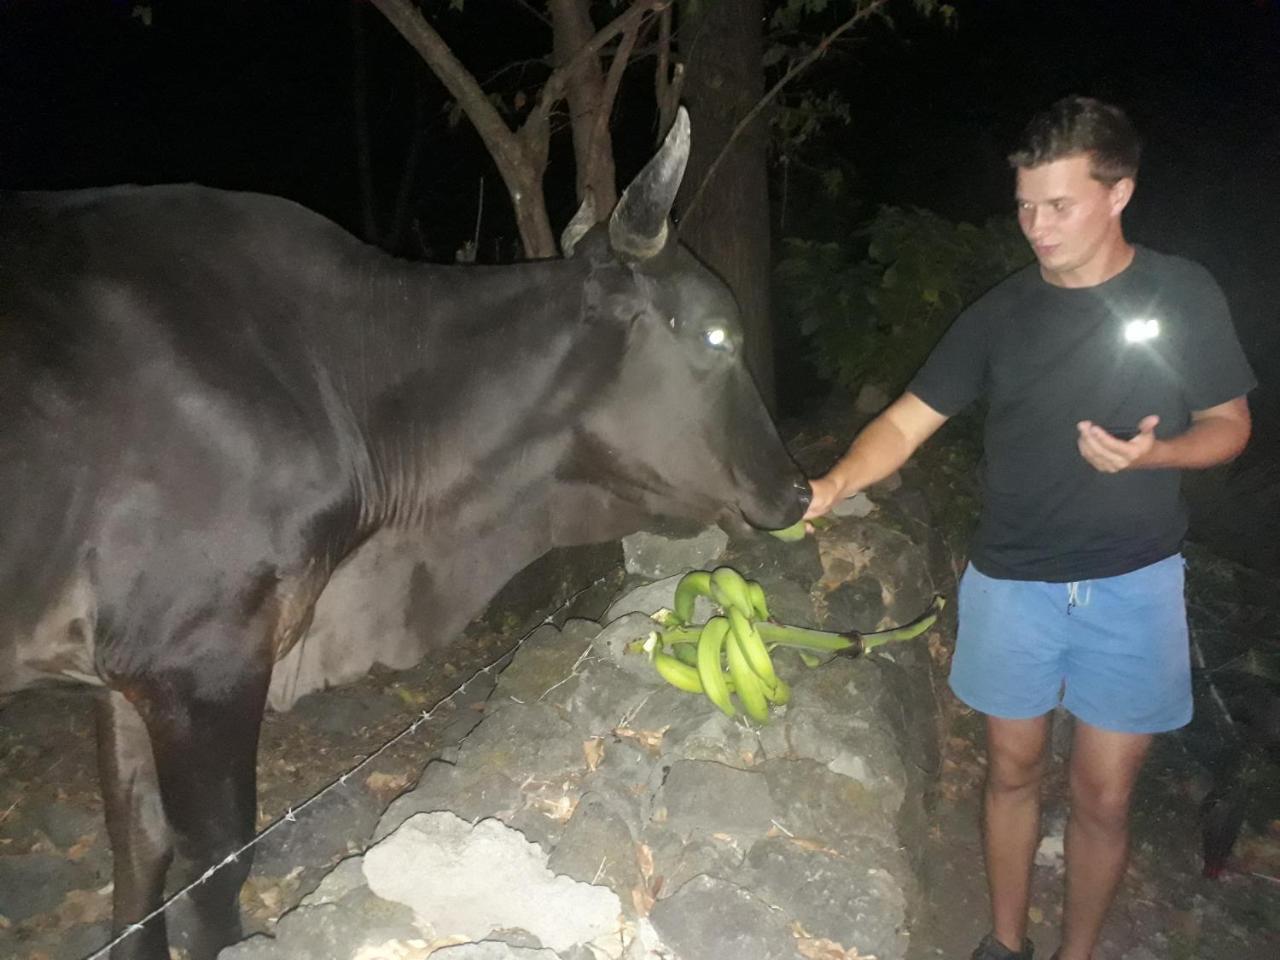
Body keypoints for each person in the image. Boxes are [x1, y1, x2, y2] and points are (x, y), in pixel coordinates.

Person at [804, 96, 1255, 960]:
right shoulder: (1000, 315)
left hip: (1134, 583)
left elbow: (1230, 424)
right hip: (1012, 583)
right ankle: (1003, 944)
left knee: (1104, 798)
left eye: (1059, 205)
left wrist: (1156, 458)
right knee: (1011, 771)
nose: (1035, 227)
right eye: (1024, 205)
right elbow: (905, 422)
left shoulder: (1182, 291)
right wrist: (830, 483)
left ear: (1119, 192)